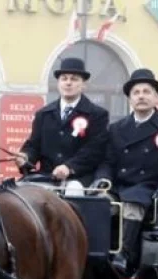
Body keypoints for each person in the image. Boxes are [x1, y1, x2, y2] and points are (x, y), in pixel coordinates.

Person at [92, 68, 158, 276]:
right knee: (96, 202)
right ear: (130, 99)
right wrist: (102, 180)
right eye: (136, 92)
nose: (141, 96)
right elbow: (107, 162)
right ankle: (93, 256)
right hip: (119, 186)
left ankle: (123, 256)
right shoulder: (117, 128)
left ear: (156, 98)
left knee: (131, 202)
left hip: (152, 190)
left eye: (147, 92)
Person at [17, 57, 109, 189]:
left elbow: (94, 150)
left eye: (74, 79)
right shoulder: (43, 114)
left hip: (79, 179)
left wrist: (69, 167)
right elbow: (33, 145)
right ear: (58, 83)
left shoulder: (97, 114)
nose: (68, 83)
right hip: (46, 177)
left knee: (74, 191)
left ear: (83, 84)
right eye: (64, 78)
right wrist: (25, 158)